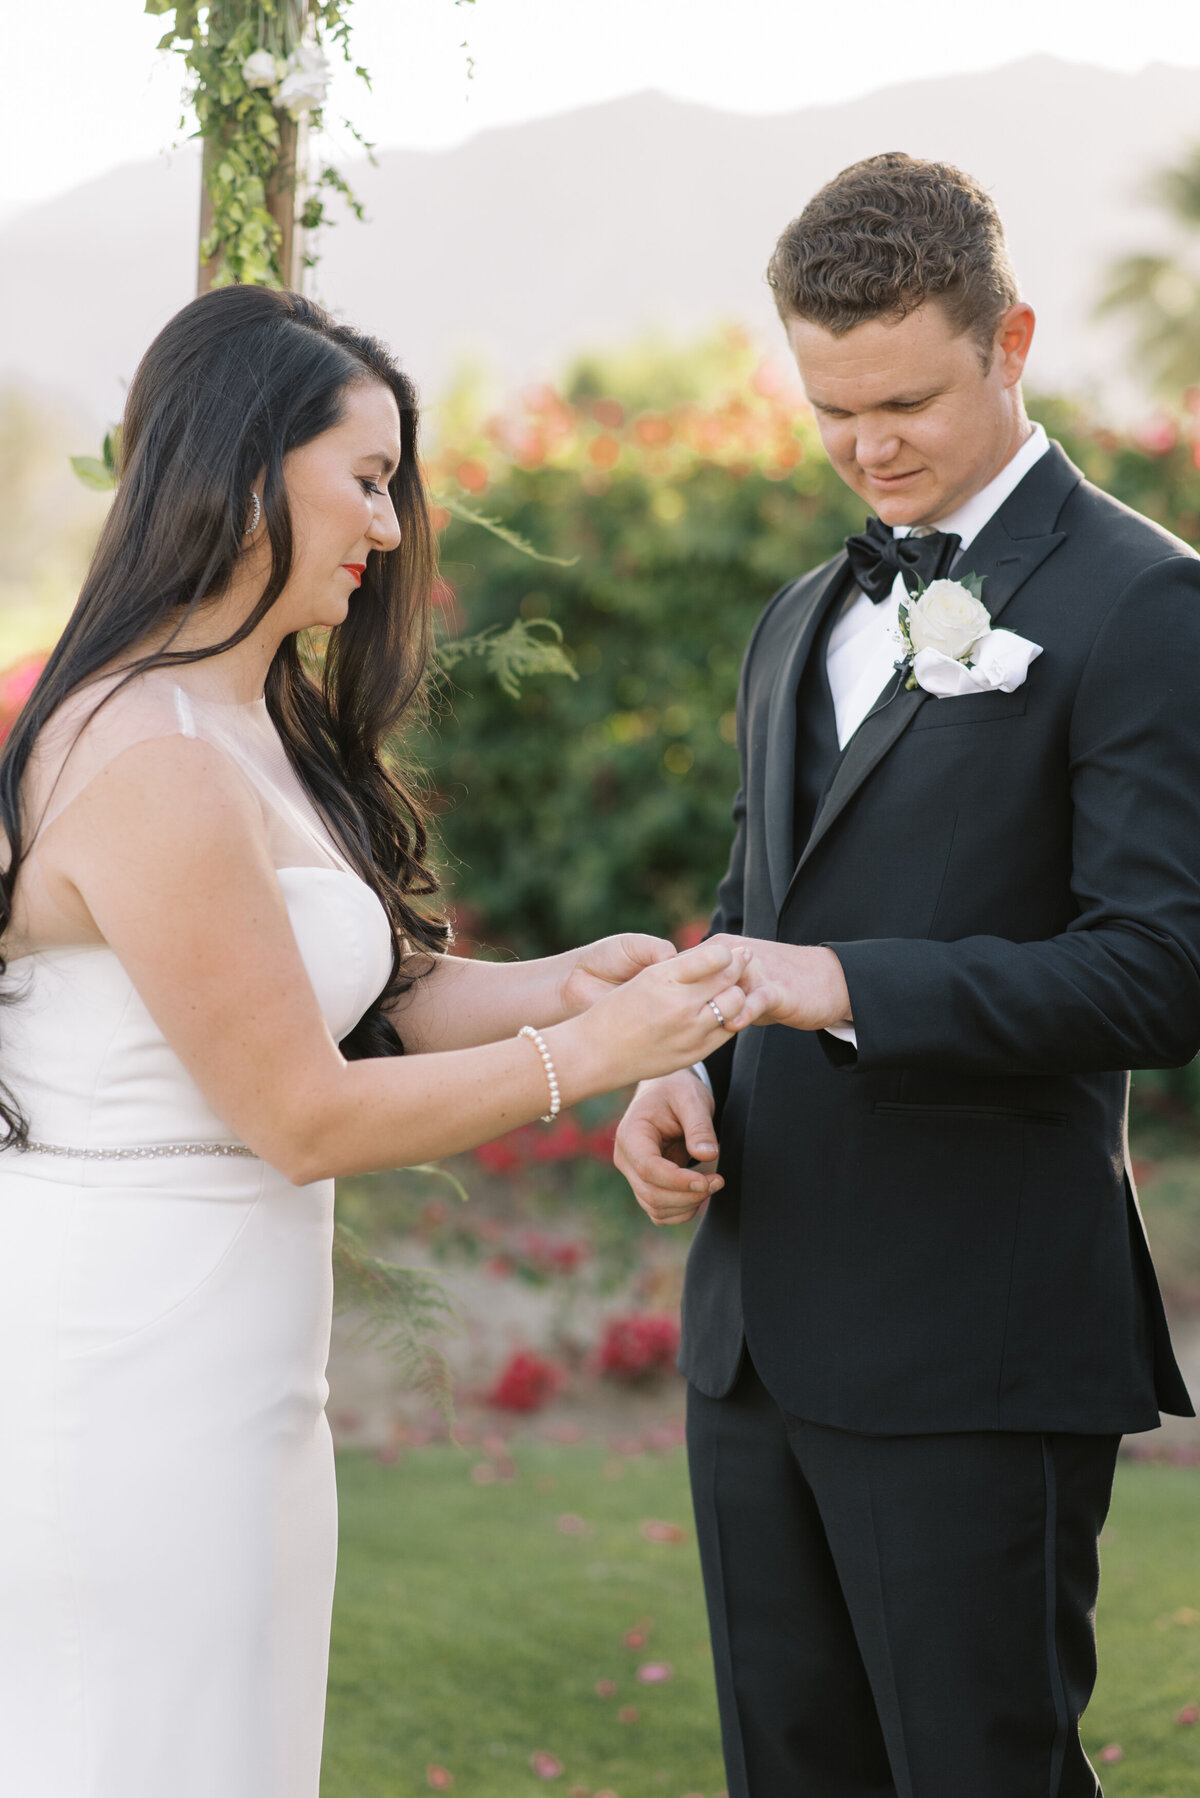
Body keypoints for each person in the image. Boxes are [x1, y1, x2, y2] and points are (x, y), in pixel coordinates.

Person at [0, 284, 771, 1798]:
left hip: (238, 1357)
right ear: (237, 465)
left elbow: (369, 994)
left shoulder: (247, 724)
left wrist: (559, 982)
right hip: (133, 1362)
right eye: (365, 475)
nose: (392, 520)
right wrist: (592, 1054)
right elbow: (302, 1108)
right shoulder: (148, 756)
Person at [615, 152, 1200, 1798]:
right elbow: (754, 913)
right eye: (829, 409)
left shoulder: (1146, 605)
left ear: (1010, 337)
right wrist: (686, 1070)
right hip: (755, 1337)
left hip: (975, 1341)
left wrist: (846, 985)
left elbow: (1164, 968)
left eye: (906, 401)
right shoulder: (798, 615)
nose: (867, 448)